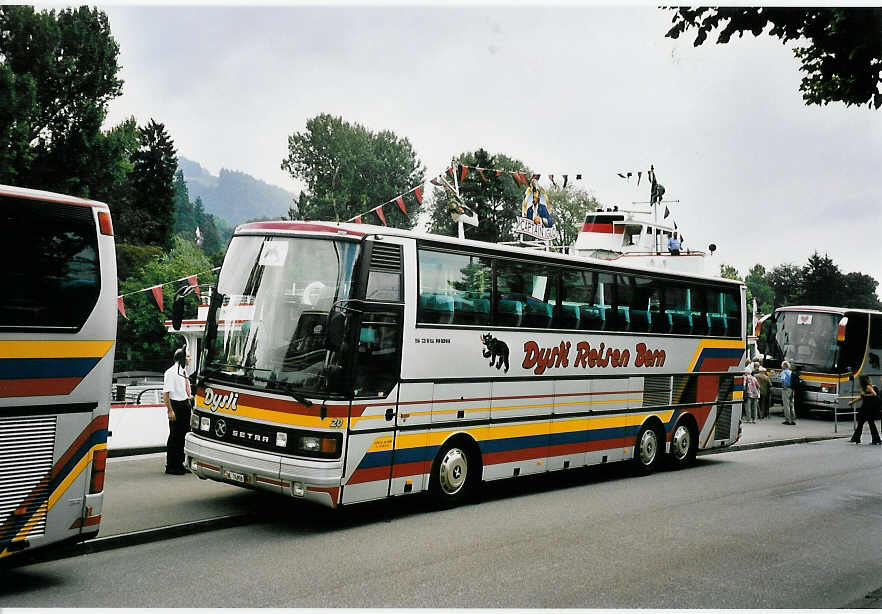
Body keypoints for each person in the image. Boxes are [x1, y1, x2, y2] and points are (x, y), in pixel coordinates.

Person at [163, 347, 192, 475]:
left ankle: (180, 463)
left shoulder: (183, 372)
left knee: (183, 435)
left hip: (184, 404)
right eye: (188, 356)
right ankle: (171, 465)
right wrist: (170, 410)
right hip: (176, 405)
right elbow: (166, 393)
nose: (190, 359)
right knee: (175, 436)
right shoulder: (171, 372)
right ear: (182, 358)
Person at [848, 375, 881, 445]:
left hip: (868, 408)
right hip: (865, 408)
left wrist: (865, 395)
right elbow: (860, 397)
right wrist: (852, 402)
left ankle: (875, 439)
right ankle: (857, 438)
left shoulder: (868, 387)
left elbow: (874, 394)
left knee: (866, 423)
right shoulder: (864, 388)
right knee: (863, 423)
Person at [780, 361, 797, 425]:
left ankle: (788, 420)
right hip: (792, 389)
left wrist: (784, 387)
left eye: (782, 365)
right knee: (791, 404)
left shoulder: (783, 372)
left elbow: (783, 380)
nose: (781, 366)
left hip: (786, 389)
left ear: (784, 366)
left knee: (786, 405)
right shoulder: (791, 372)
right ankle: (793, 419)